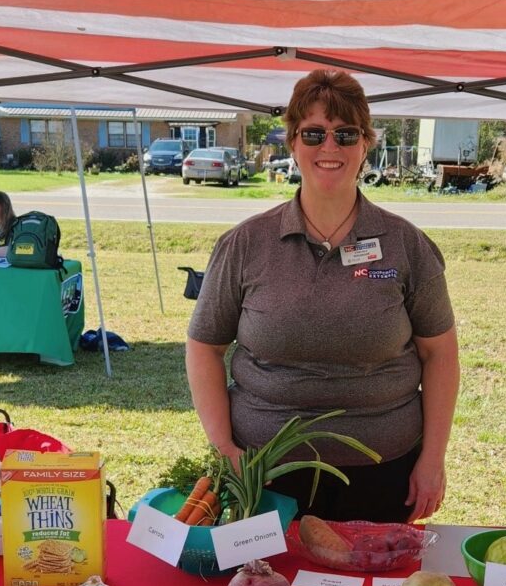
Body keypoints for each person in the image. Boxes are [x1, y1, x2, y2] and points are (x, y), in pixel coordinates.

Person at [186, 69, 459, 524]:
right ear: (293, 143)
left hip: (384, 471)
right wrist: (225, 450)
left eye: (345, 134)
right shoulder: (246, 244)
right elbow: (203, 347)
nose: (329, 147)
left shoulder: (406, 245)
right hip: (265, 475)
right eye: (313, 133)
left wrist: (432, 460)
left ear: (366, 144)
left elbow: (441, 355)